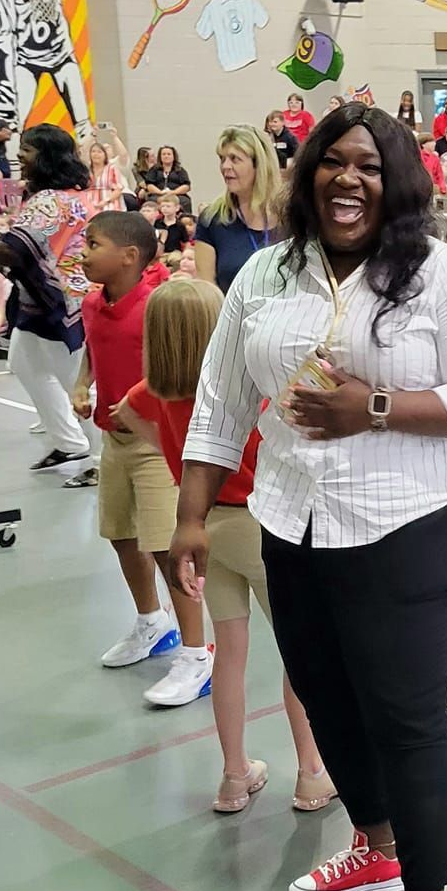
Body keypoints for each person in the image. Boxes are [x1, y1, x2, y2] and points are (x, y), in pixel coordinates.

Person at [176, 104, 447, 891]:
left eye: (368, 164)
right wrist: (191, 516)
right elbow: (219, 400)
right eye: (332, 162)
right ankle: (375, 845)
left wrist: (375, 409)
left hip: (407, 522)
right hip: (294, 522)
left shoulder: (441, 278)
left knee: (407, 715)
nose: (347, 179)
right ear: (307, 173)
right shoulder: (265, 277)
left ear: (395, 180)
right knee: (325, 694)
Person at [114, 278, 333, 813]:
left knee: (229, 654)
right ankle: (310, 774)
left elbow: (123, 411)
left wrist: (171, 451)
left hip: (204, 528)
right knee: (298, 654)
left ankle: (235, 777)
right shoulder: (245, 392)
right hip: (260, 527)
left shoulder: (156, 393)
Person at [73, 212, 213, 700]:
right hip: (115, 437)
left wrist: (136, 401)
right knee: (121, 534)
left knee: (166, 547)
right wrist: (81, 384)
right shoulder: (93, 304)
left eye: (93, 244)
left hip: (156, 441)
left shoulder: (157, 302)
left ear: (130, 256)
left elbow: (177, 365)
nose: (83, 252)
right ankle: (153, 623)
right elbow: (92, 349)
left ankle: (196, 655)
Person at [0, 124, 97, 469]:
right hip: (41, 300)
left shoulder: (52, 200)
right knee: (23, 363)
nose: (20, 155)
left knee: (77, 381)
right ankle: (70, 443)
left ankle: (102, 458)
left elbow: (17, 247)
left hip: (62, 301)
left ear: (45, 156)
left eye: (26, 149)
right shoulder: (55, 195)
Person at [194, 127, 280, 293]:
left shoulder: (290, 216)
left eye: (235, 159)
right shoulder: (211, 219)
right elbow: (208, 293)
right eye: (222, 159)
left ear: (259, 165)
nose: (225, 166)